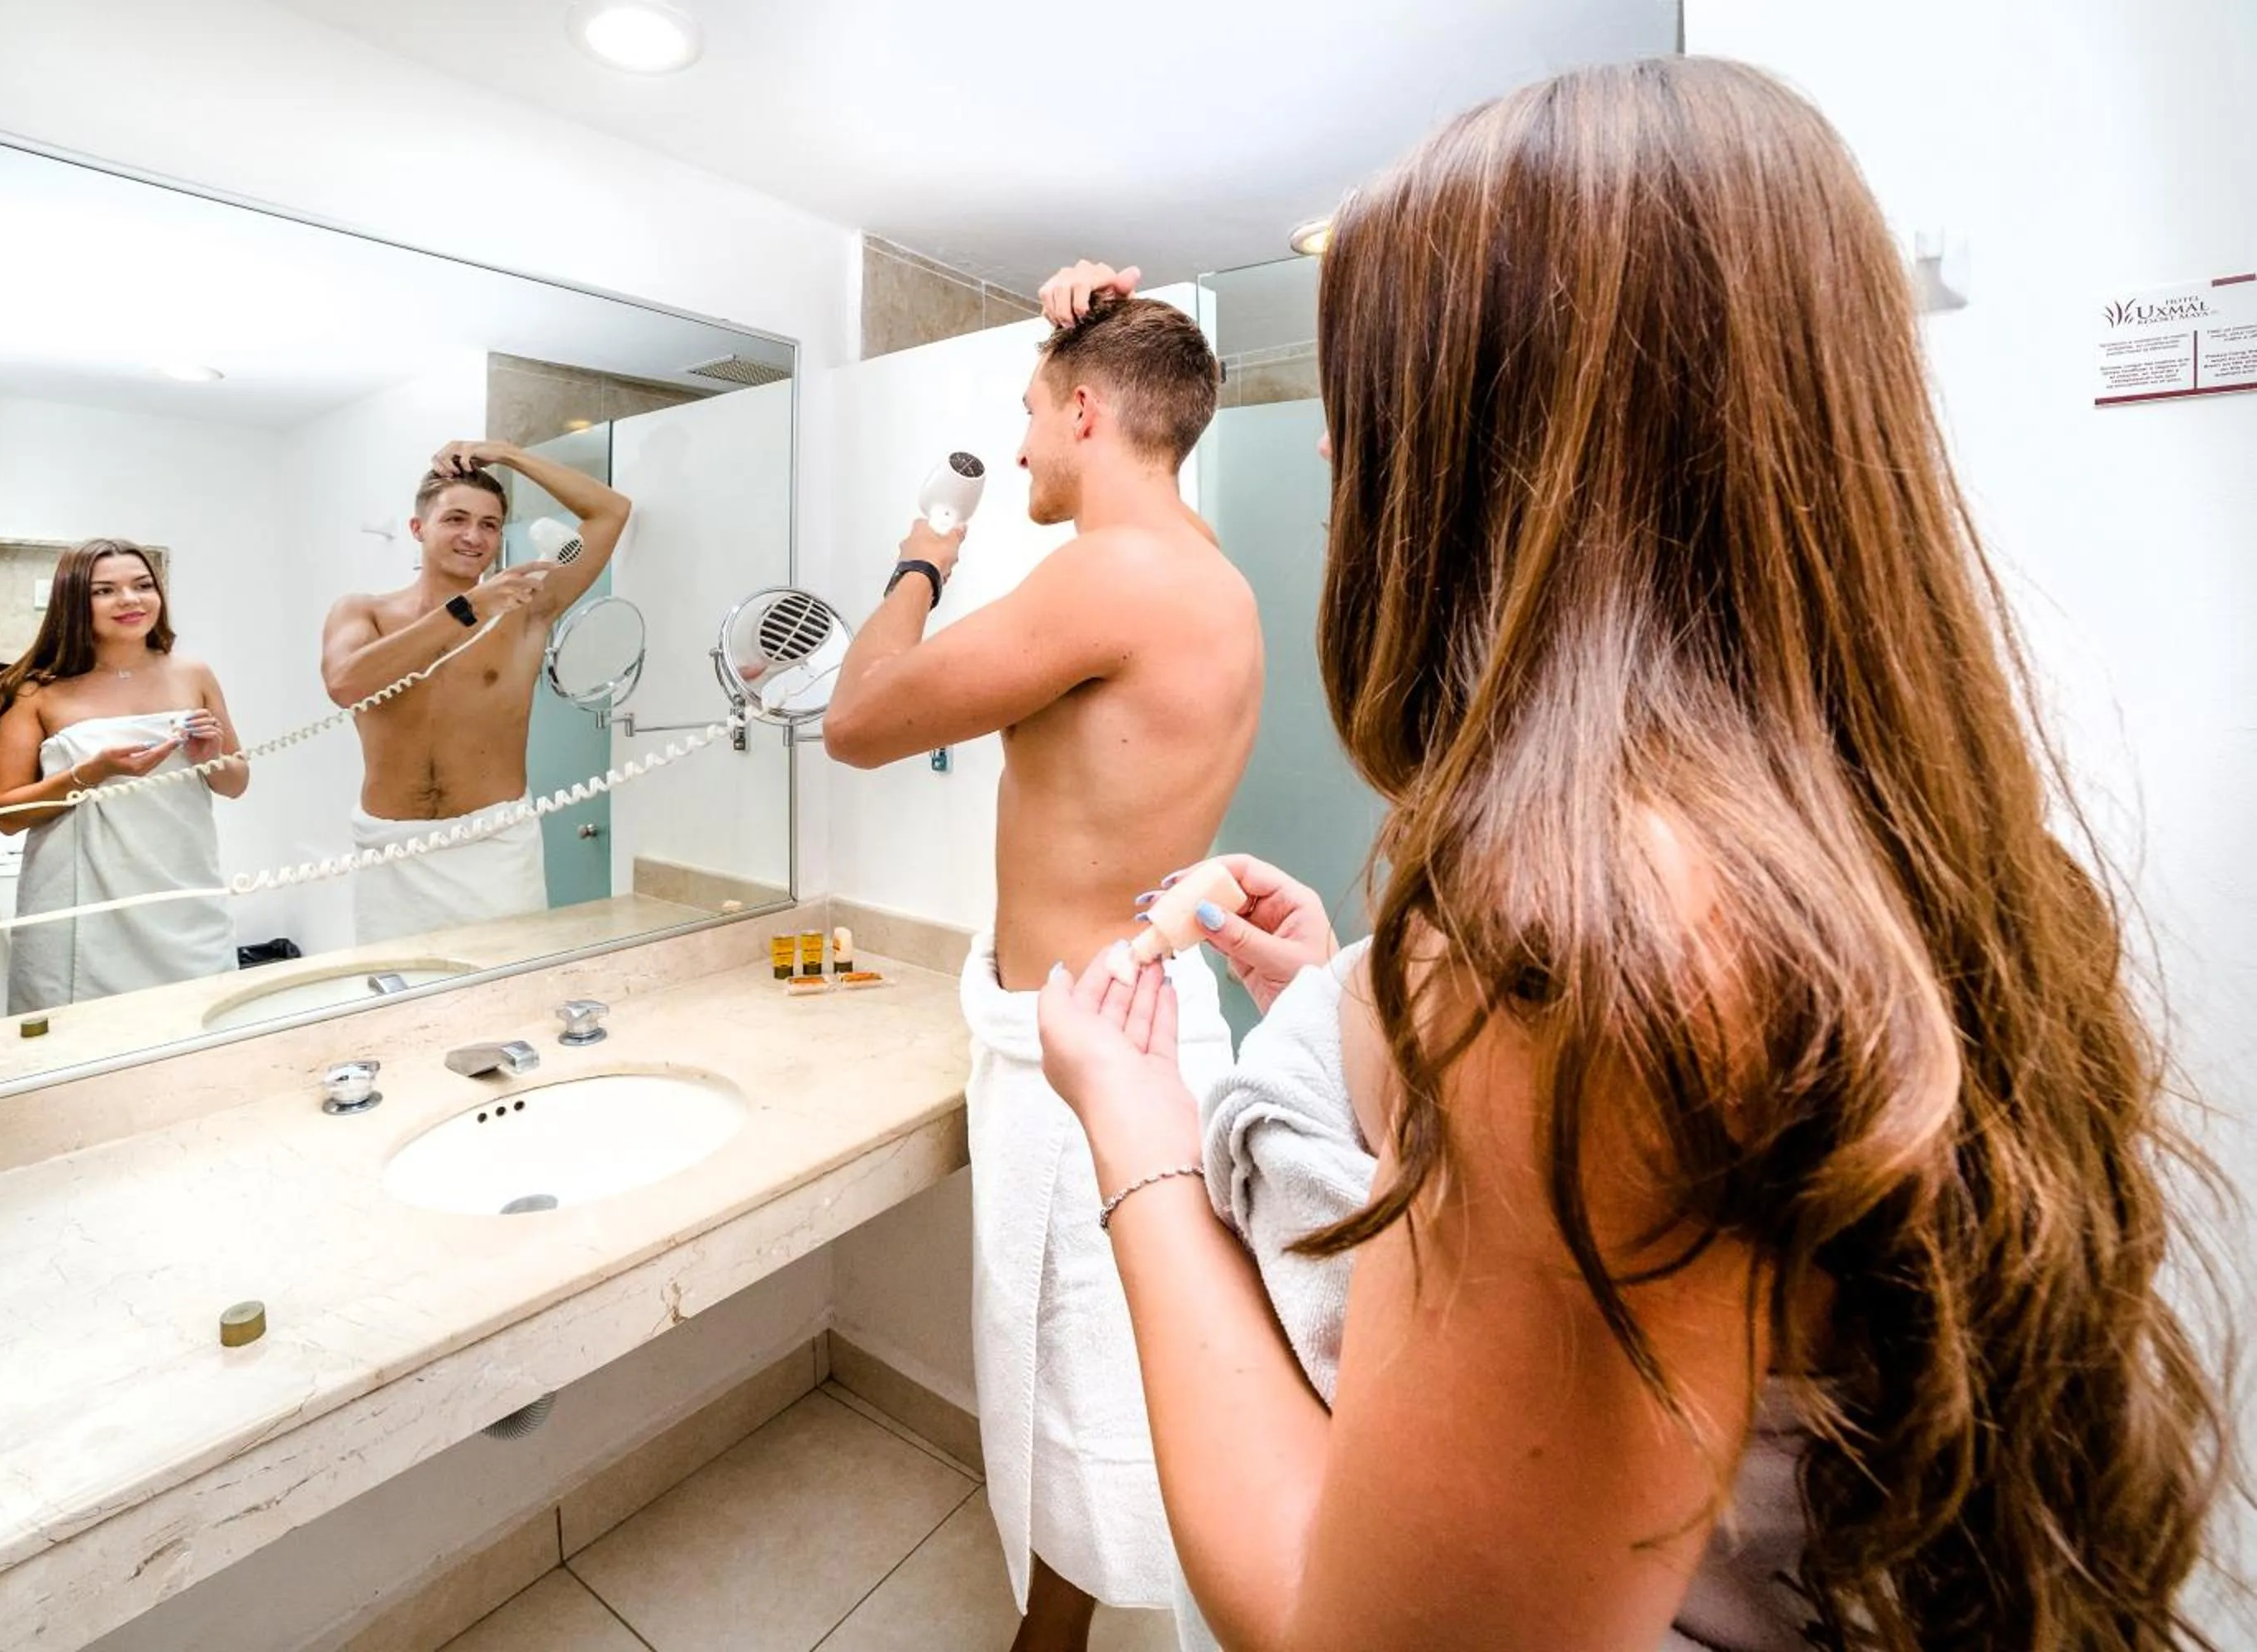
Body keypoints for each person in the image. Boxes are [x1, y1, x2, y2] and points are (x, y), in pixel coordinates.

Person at [1037, 58, 2231, 1652]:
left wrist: (1144, 1143)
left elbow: (1357, 1633)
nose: (1337, 468)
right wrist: (1350, 1003)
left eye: (1377, 411)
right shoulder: (1856, 824)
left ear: (1503, 449)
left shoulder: (1580, 956)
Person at [824, 279, 1262, 1650]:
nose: (1017, 454)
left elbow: (856, 721)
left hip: (1089, 1062)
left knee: (1084, 1382)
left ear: (1084, 414)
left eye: (1028, 417)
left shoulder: (1113, 576)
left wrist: (922, 556)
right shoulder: (1209, 575)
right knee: (1095, 1377)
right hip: (1126, 1023)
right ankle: (1057, 1636)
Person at [321, 441, 630, 944]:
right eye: (456, 519)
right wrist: (465, 608)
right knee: (399, 1001)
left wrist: (508, 455)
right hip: (393, 852)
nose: (473, 536)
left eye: (490, 524)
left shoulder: (528, 607)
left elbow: (610, 511)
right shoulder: (363, 612)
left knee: (509, 995)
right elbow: (345, 683)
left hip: (495, 848)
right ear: (418, 529)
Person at [0, 537, 246, 1014]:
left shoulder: (194, 674)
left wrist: (214, 753)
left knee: (198, 1032)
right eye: (105, 591)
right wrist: (91, 773)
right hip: (82, 909)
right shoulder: (29, 692)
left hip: (182, 896)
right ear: (73, 603)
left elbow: (236, 783)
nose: (130, 600)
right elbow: (6, 813)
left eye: (143, 585)